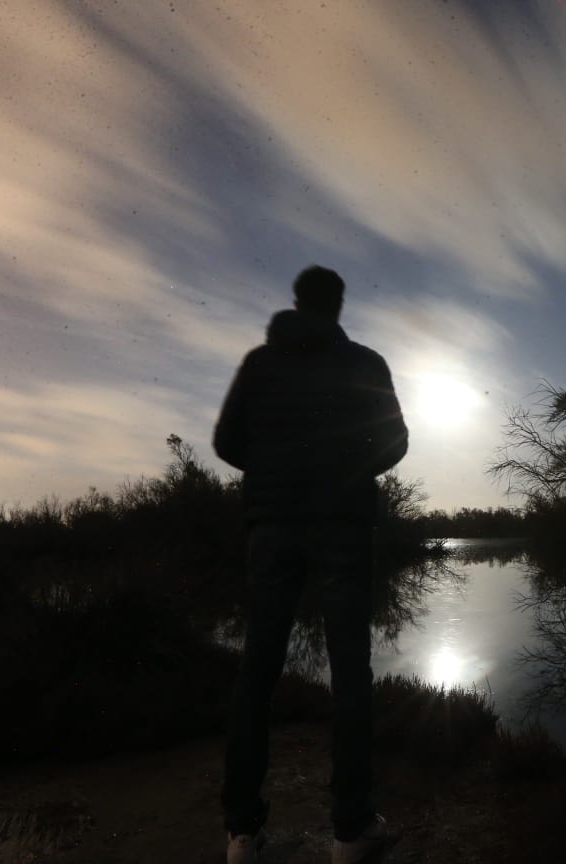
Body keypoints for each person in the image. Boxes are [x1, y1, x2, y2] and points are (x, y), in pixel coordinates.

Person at [214, 265, 408, 864]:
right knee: (351, 673)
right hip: (343, 526)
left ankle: (242, 834)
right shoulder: (364, 362)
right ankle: (351, 831)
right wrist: (345, 470)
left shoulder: (259, 364)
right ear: (338, 306)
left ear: (297, 302)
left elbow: (226, 442)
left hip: (271, 528)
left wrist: (275, 470)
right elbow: (396, 441)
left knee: (258, 668)